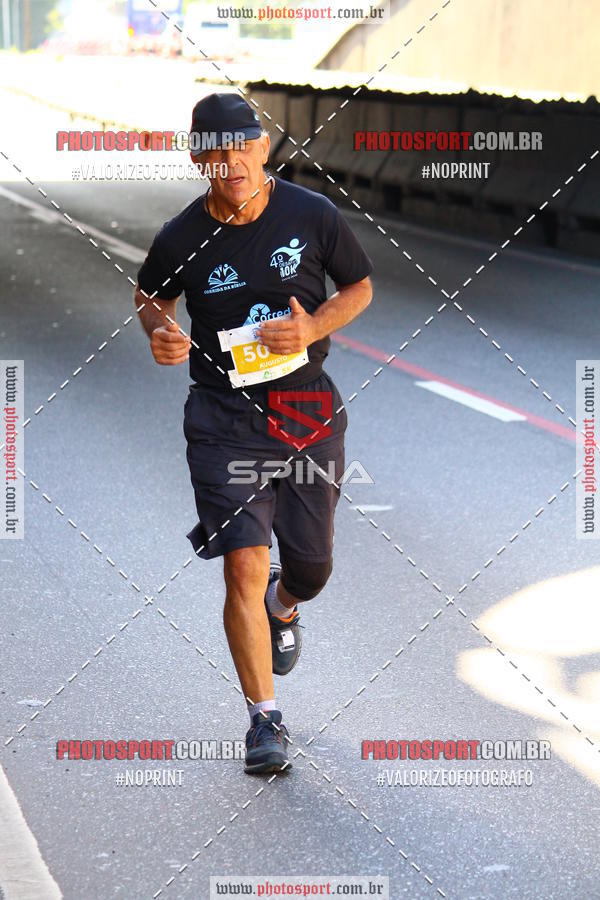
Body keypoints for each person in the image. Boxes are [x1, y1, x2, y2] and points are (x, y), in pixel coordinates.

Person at [134, 93, 373, 774]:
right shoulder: (181, 237)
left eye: (242, 146)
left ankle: (284, 603)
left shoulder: (312, 214)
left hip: (304, 408)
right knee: (242, 560)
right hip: (223, 417)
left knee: (312, 567)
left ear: (264, 147)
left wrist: (313, 326)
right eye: (215, 151)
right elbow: (151, 296)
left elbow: (358, 287)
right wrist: (161, 331)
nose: (231, 162)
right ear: (197, 159)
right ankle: (264, 720)